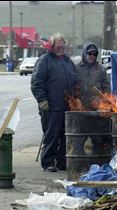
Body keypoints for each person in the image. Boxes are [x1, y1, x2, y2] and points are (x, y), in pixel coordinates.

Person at [31, 33, 78, 172]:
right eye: (58, 46)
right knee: (52, 135)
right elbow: (36, 83)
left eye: (62, 47)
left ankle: (62, 162)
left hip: (67, 106)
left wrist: (76, 98)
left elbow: (75, 82)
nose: (60, 49)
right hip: (51, 106)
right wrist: (42, 100)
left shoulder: (67, 62)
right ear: (52, 46)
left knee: (65, 136)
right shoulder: (44, 60)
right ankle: (48, 162)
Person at [75, 43, 111, 110]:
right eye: (89, 53)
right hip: (81, 107)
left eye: (94, 54)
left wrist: (104, 100)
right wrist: (76, 99)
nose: (92, 56)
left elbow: (107, 87)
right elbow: (73, 85)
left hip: (97, 106)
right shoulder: (77, 68)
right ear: (85, 54)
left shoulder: (101, 69)